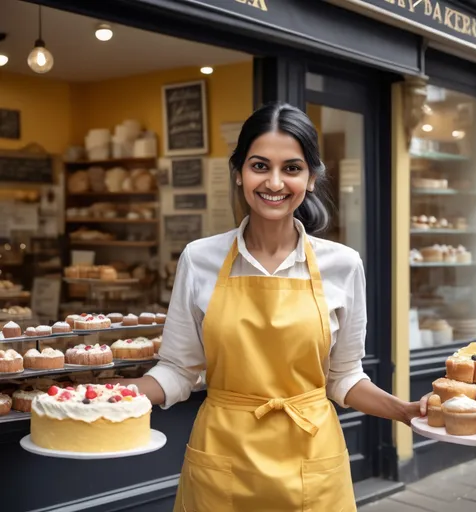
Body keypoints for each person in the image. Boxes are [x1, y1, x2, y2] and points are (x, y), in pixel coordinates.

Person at [125, 103, 428, 511]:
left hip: (312, 459)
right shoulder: (200, 259)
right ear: (239, 172)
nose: (274, 181)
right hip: (222, 459)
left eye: (291, 168)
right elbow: (179, 369)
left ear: (312, 178)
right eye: (259, 165)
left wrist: (405, 411)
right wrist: (117, 395)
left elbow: (343, 377)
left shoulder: (343, 265)